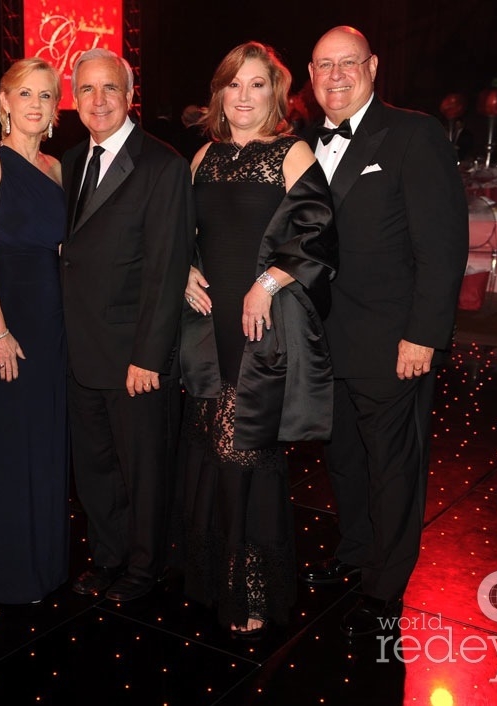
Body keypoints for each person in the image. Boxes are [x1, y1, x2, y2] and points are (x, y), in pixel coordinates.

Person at [299, 26, 467, 638]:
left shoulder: (413, 133)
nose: (336, 77)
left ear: (372, 68)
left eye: (348, 64)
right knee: (343, 459)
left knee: (394, 467)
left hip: (392, 341)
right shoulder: (301, 142)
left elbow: (443, 245)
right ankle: (353, 554)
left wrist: (424, 334)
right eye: (324, 66)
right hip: (323, 341)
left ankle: (385, 585)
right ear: (310, 75)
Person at [179, 42, 337, 638]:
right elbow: (182, 234)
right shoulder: (203, 157)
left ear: (276, 93)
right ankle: (209, 576)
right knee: (212, 447)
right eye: (233, 85)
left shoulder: (292, 152)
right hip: (208, 324)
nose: (243, 97)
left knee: (245, 449)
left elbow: (318, 232)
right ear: (219, 93)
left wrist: (264, 284)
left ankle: (249, 590)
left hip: (258, 323)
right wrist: (184, 270)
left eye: (257, 85)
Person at [61, 49, 192, 603]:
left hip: (134, 354)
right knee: (95, 470)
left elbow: (168, 269)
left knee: (144, 472)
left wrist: (149, 355)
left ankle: (145, 568)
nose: (98, 101)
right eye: (86, 90)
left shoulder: (162, 165)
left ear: (128, 93)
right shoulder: (68, 162)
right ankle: (109, 558)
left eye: (109, 88)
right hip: (79, 349)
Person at [0, 58, 69, 604]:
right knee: (10, 442)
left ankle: (47, 564)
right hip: (4, 317)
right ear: (4, 102)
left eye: (46, 96)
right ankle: (10, 572)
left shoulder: (56, 168)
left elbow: (64, 252)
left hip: (51, 321)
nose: (35, 104)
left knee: (46, 438)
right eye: (24, 94)